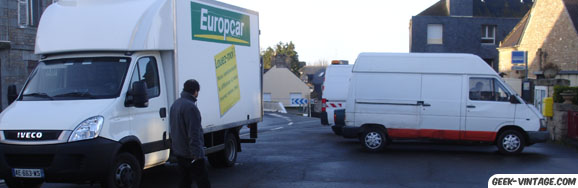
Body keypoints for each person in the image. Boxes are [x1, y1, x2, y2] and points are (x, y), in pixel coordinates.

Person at [169, 79, 211, 188]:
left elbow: (173, 129)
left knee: (185, 181)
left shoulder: (175, 104)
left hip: (179, 151)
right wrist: (197, 154)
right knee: (203, 181)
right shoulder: (191, 107)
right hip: (191, 153)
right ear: (195, 91)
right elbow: (194, 133)